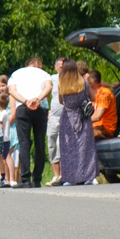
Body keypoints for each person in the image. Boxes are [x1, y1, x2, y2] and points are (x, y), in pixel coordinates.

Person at [8, 57, 52, 188]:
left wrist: (25, 101)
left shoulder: (16, 73)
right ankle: (37, 179)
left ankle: (25, 178)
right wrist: (37, 99)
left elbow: (11, 91)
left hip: (23, 108)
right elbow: (49, 87)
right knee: (40, 143)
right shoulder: (44, 74)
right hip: (41, 107)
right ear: (37, 63)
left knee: (24, 143)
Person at [58, 59, 98, 185]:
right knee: (85, 148)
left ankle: (69, 178)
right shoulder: (84, 83)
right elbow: (93, 98)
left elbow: (61, 101)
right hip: (83, 117)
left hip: (67, 118)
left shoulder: (61, 84)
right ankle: (88, 177)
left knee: (68, 148)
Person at [45, 57, 66, 186]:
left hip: (66, 117)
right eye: (61, 66)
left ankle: (64, 175)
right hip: (53, 117)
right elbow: (45, 92)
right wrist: (46, 108)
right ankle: (56, 175)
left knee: (61, 145)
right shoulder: (52, 78)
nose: (63, 69)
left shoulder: (71, 78)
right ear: (56, 67)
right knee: (52, 144)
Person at [0, 75, 19, 185]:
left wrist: (5, 125)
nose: (1, 88)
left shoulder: (11, 98)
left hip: (11, 129)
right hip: (2, 131)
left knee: (8, 155)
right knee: (3, 156)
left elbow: (13, 115)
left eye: (3, 85)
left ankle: (11, 179)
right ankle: (4, 179)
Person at [89, 69, 117, 142]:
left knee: (84, 136)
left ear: (90, 84)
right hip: (96, 126)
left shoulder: (104, 94)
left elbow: (98, 116)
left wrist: (80, 121)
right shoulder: (95, 94)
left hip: (105, 128)